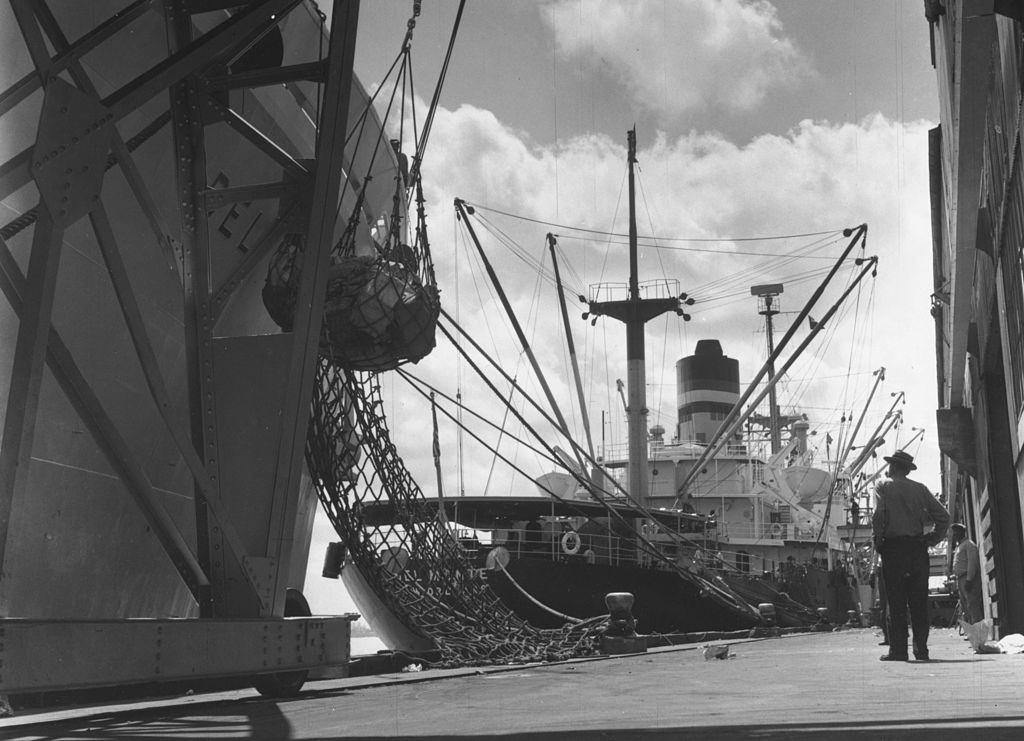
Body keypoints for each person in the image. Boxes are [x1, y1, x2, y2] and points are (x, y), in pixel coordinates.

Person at [871, 450, 950, 662]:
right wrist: (932, 539)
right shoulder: (920, 489)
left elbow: (879, 514)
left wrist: (878, 541)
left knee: (896, 603)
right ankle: (921, 651)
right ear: (906, 469)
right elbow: (944, 517)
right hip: (917, 548)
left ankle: (898, 651)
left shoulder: (882, 485)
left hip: (894, 549)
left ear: (893, 467)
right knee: (918, 602)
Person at [951, 522, 984, 624]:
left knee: (972, 605)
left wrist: (969, 579)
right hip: (960, 578)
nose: (954, 535)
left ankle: (978, 633)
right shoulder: (960, 546)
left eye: (956, 532)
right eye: (954, 533)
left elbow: (972, 563)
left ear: (962, 532)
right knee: (965, 606)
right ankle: (972, 632)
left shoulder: (969, 544)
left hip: (968, 578)